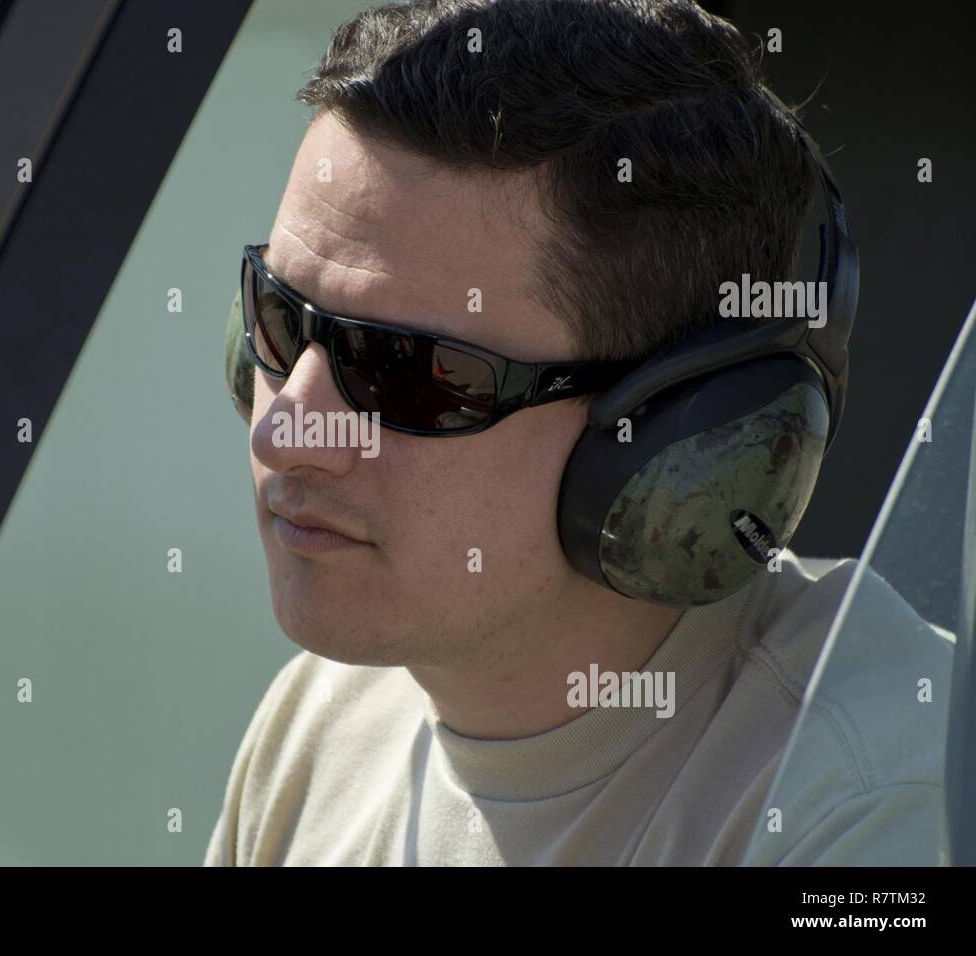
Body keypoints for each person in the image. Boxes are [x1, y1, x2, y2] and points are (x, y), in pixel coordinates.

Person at [205, 0, 951, 866]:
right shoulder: (319, 730)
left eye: (409, 370)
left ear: (676, 443)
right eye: (281, 320)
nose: (286, 430)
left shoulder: (884, 806)